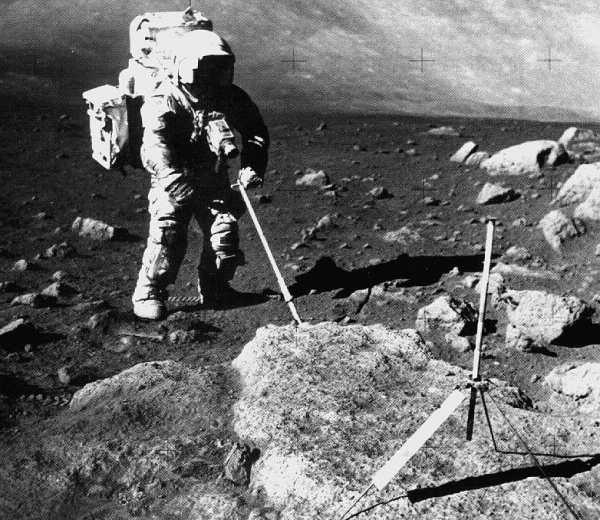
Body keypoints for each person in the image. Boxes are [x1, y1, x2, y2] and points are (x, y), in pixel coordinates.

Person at [132, 29, 269, 320]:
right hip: (174, 179)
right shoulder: (165, 97)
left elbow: (255, 133)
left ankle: (216, 288)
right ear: (185, 67)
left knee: (224, 232)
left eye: (218, 68)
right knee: (168, 233)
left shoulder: (229, 96)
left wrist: (252, 167)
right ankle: (148, 293)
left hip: (212, 177)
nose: (211, 75)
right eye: (204, 68)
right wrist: (172, 178)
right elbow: (155, 144)